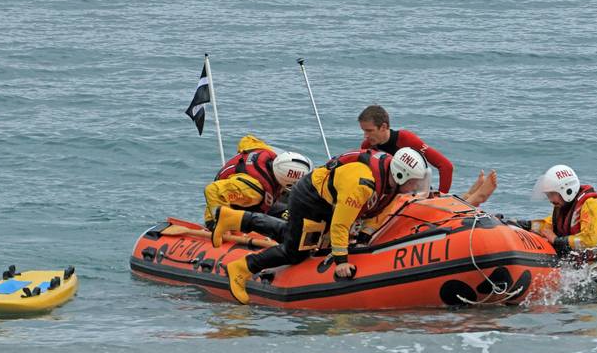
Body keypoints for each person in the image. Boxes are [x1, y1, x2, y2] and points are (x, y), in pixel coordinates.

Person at [210, 147, 431, 304]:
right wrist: (342, 260)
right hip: (310, 197)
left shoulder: (390, 183)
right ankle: (242, 268)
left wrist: (364, 238)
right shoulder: (362, 184)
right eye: (414, 182)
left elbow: (374, 213)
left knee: (294, 235)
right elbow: (340, 224)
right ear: (401, 174)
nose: (416, 187)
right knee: (295, 252)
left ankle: (234, 218)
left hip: (328, 201)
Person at [511, 164, 597, 292]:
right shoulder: (564, 207)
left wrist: (557, 241)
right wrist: (519, 224)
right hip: (591, 268)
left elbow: (591, 240)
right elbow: (547, 225)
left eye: (552, 194)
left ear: (567, 190)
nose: (550, 199)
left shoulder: (592, 205)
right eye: (548, 195)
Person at [358, 105, 496, 205]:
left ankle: (474, 198)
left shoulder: (405, 139)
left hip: (416, 197)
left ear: (383, 127)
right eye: (364, 131)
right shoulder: (367, 146)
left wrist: (441, 199)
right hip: (390, 200)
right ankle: (468, 196)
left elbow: (446, 166)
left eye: (369, 131)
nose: (365, 135)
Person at [203, 135, 312, 229]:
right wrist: (221, 223)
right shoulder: (254, 191)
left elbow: (247, 139)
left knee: (290, 210)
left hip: (250, 204)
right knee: (276, 223)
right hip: (232, 214)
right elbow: (213, 190)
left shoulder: (261, 149)